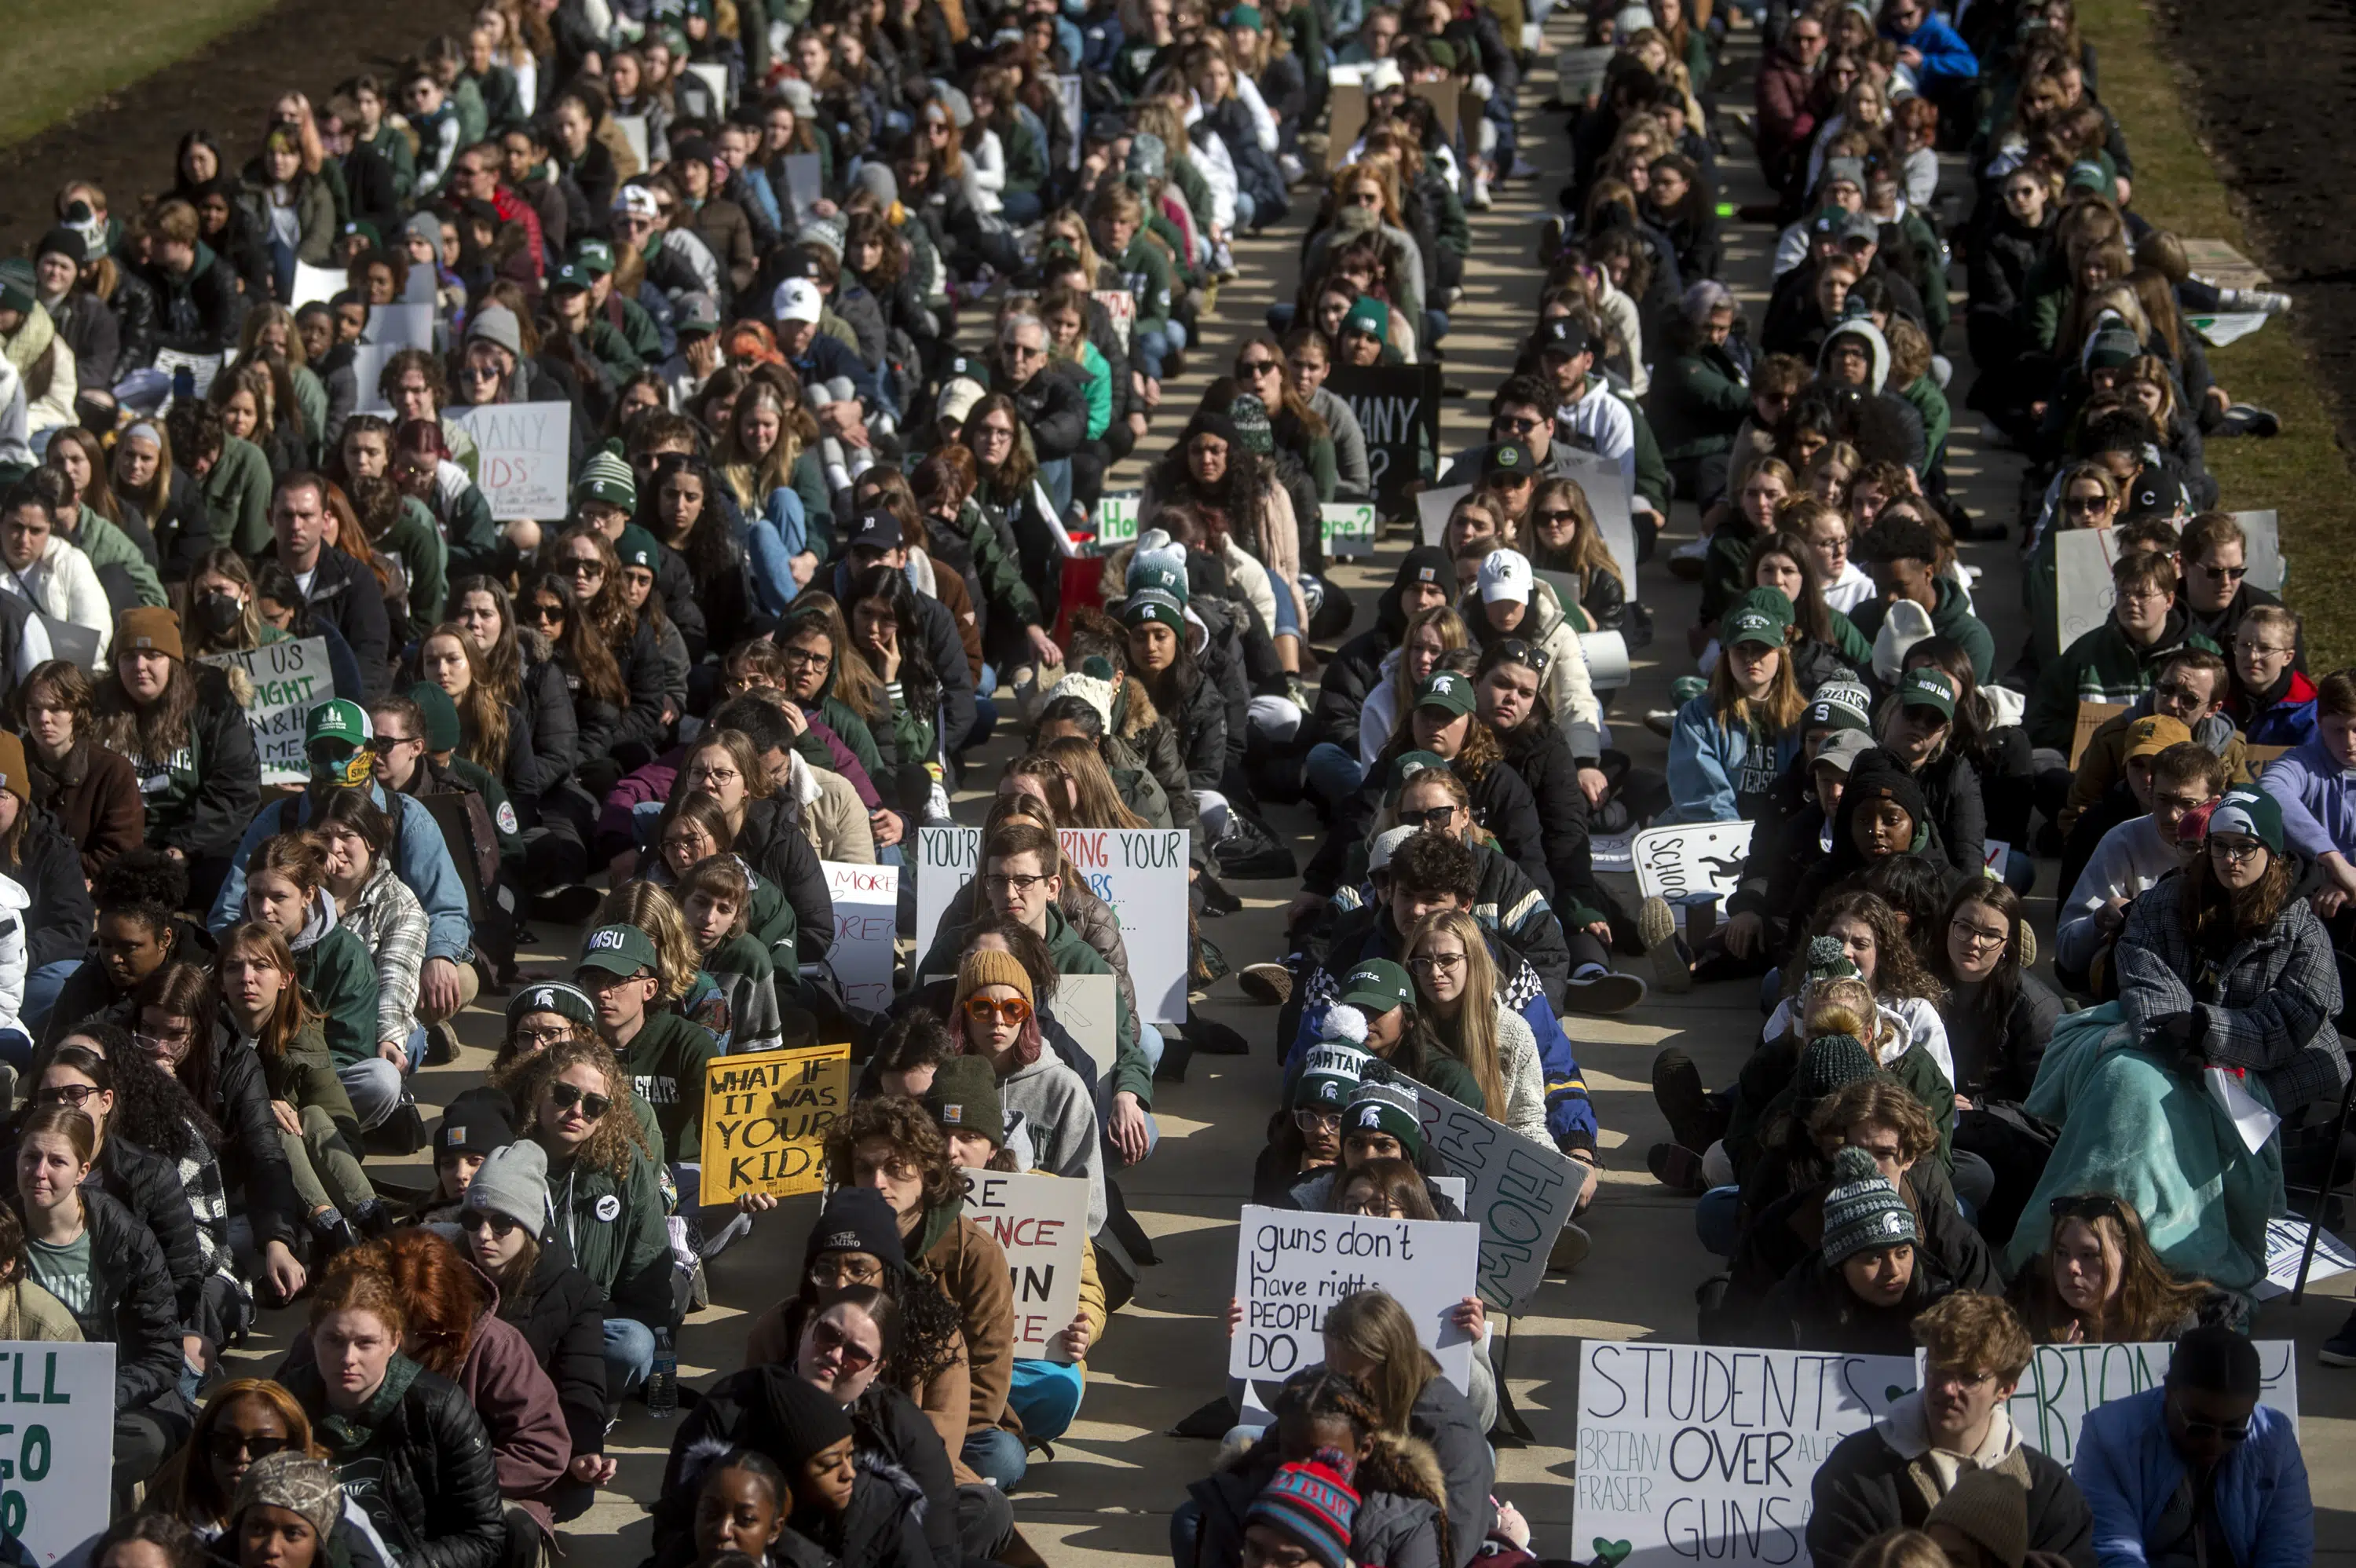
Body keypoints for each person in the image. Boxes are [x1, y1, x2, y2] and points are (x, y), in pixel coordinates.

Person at [820, 1095, 1017, 1494]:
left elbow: (987, 1380)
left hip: (948, 1420)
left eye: (894, 1169)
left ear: (926, 1173)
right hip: (848, 1412)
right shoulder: (835, 1244)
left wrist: (932, 1444)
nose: (877, 1182)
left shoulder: (975, 1253)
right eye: (864, 1168)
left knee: (1001, 1455)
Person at [1806, 1292, 2092, 1566]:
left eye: (1969, 1376)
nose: (1946, 1389)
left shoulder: (2048, 1490)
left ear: (2006, 1389)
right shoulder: (1856, 1470)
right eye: (1938, 1367)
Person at [2115, 786, 2346, 1120]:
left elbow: (2289, 1022)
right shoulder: (2164, 903)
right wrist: (2180, 1040)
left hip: (2286, 1071)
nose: (2229, 859)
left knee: (2196, 1120)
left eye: (2245, 848)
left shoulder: (2304, 932)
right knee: (2121, 1083)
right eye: (2220, 845)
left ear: (2272, 852)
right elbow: (2144, 972)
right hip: (2177, 1051)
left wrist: (2206, 1031)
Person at [12, 1102, 188, 1500]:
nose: (39, 1172)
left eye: (57, 1161)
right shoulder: (4, 1235)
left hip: (110, 1403)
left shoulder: (126, 1239)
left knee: (146, 1441)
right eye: (30, 1157)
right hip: (19, 1404)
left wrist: (98, 1397)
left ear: (82, 1172)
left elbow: (162, 1354)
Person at [278, 1262, 507, 1568]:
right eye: (334, 1340)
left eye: (366, 1343)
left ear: (395, 1341)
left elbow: (484, 1535)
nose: (348, 1358)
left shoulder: (439, 1407)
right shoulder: (282, 1405)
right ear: (312, 1336)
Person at [2072, 1325, 2312, 1567]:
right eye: (2200, 1426)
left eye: (2234, 1430)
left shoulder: (2275, 1440)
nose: (2215, 1444)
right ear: (2168, 1391)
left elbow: (2287, 1552)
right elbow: (2111, 1550)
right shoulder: (2106, 1436)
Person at [93, 606, 261, 905]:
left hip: (198, 849)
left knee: (227, 887)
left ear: (173, 661)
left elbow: (235, 790)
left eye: (153, 655)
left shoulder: (213, 704)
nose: (140, 666)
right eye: (128, 657)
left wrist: (181, 848)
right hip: (117, 849)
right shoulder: (97, 707)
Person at [1665, 587, 1805, 824]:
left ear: (1781, 654)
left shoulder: (1803, 719)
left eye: (1761, 647)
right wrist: (1736, 840)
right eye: (1741, 648)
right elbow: (1703, 798)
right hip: (1718, 836)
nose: (1751, 658)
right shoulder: (1698, 716)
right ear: (1726, 655)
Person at [2010, 1190, 2221, 1343]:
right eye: (2062, 1253)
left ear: (2129, 1260)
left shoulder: (2174, 1330)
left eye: (2089, 1255)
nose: (2072, 1267)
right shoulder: (2028, 1314)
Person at [18, 658, 144, 879]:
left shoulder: (113, 771)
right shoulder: (10, 762)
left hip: (87, 892)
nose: (43, 719)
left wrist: (65, 878)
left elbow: (121, 851)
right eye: (34, 709)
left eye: (56, 708)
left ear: (77, 710)